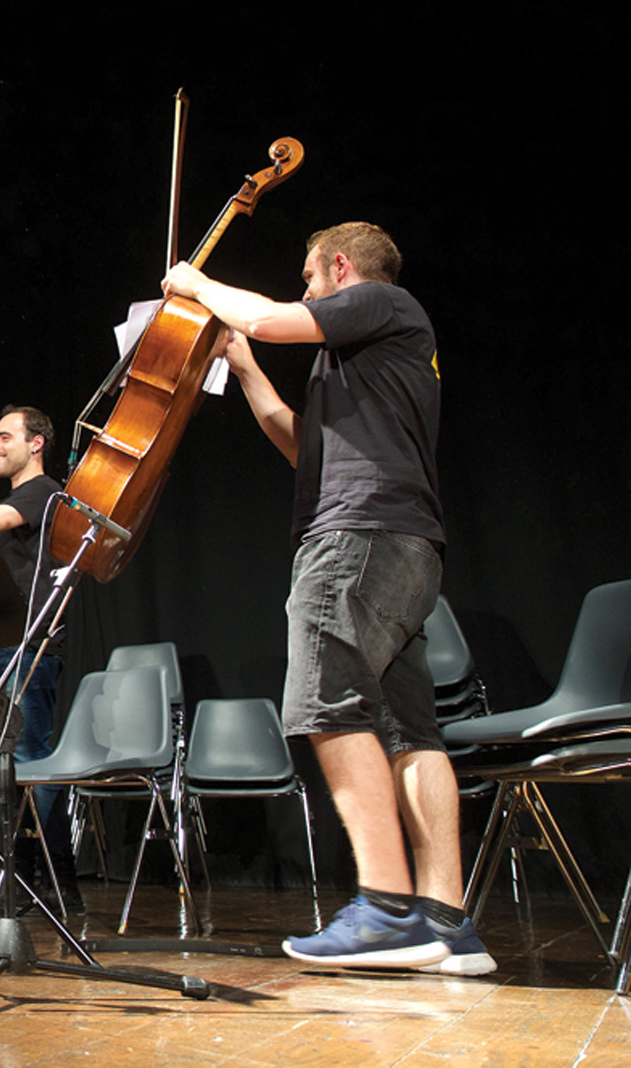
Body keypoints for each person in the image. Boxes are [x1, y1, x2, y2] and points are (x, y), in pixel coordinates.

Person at [164, 220, 490, 974]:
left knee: (324, 704)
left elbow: (271, 318)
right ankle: (446, 923)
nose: (306, 291)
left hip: (359, 539)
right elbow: (300, 446)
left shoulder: (381, 300)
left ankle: (385, 910)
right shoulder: (369, 358)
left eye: (310, 277)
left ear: (340, 267)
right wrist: (246, 370)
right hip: (401, 545)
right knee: (412, 732)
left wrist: (196, 283)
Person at [0, 405, 82, 914]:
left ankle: (61, 885)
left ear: (36, 443)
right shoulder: (8, 501)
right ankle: (21, 880)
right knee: (5, 775)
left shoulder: (45, 492)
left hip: (28, 648)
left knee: (33, 765)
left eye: (4, 436)